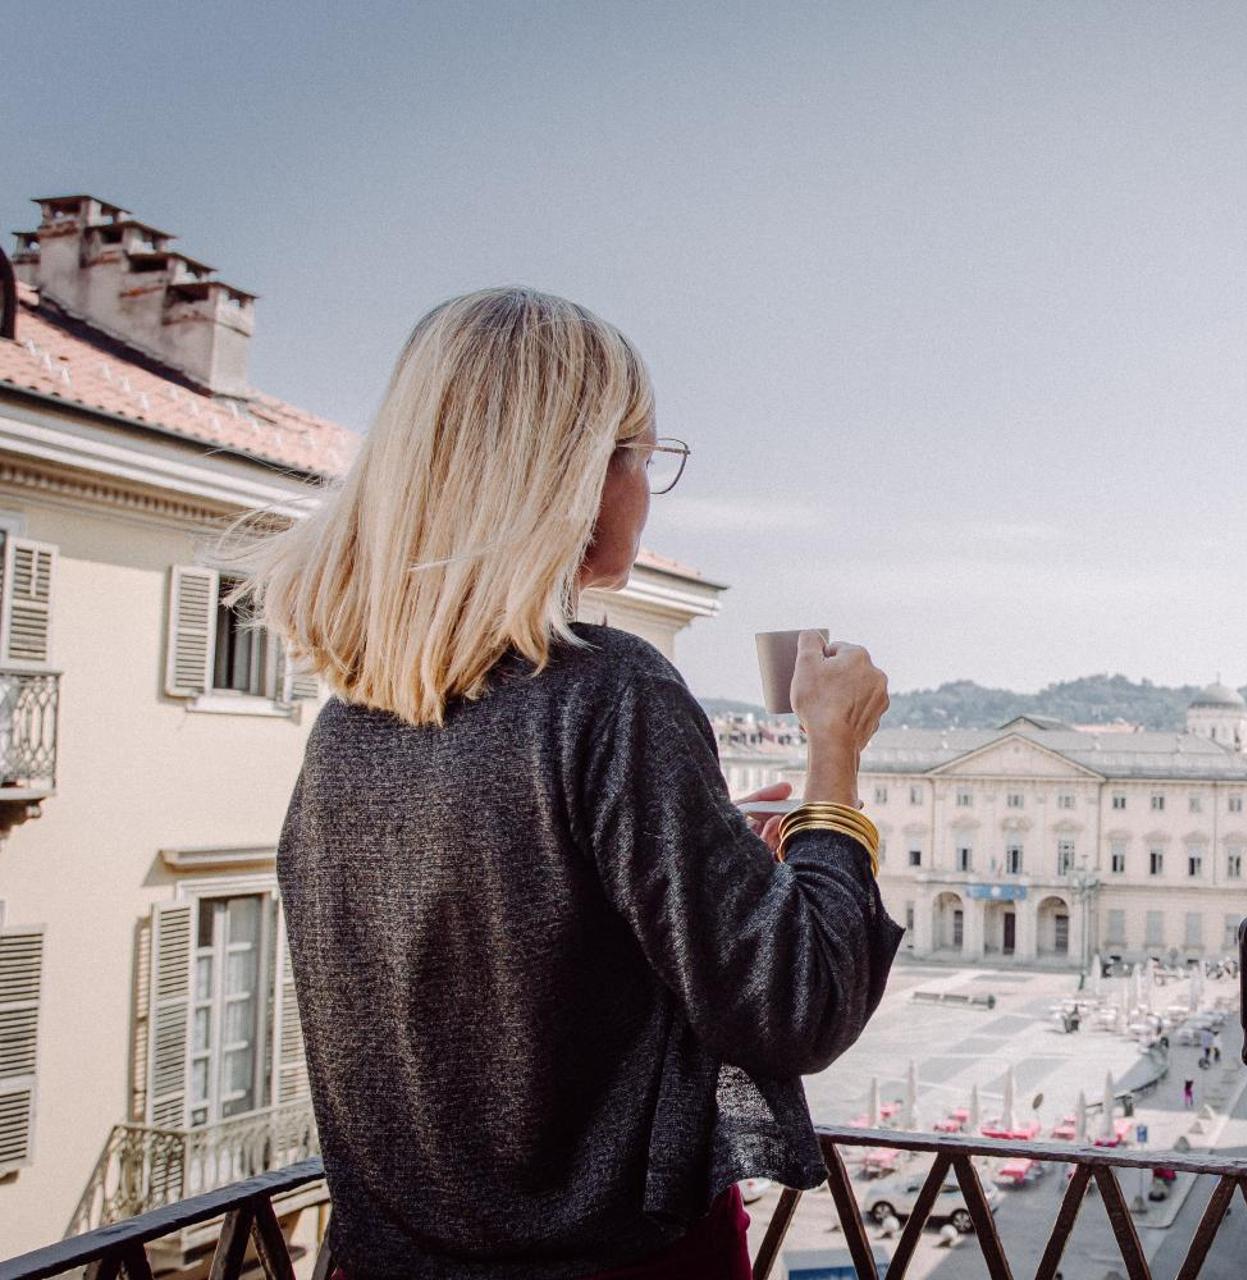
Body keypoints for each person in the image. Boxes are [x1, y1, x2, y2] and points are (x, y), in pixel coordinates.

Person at [243, 288, 903, 1280]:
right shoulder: (610, 692)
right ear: (575, 473)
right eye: (643, 453)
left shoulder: (345, 728)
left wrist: (713, 848)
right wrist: (833, 758)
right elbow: (796, 1002)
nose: (647, 486)